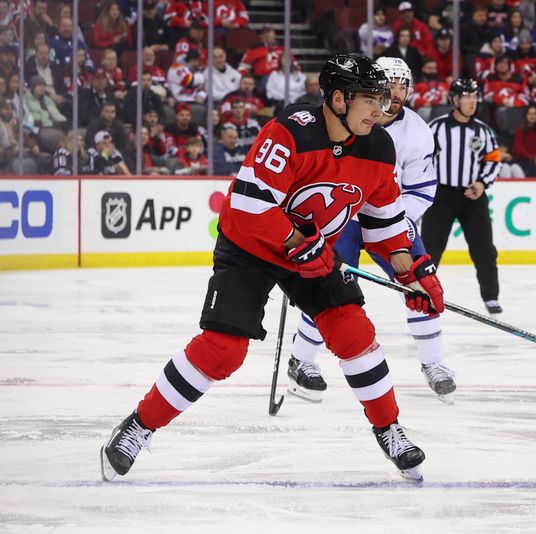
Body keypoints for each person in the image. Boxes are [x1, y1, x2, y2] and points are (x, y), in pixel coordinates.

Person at [101, 53, 443, 483]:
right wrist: (302, 242)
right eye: (370, 100)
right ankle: (139, 425)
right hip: (251, 247)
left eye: (382, 100)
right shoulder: (291, 131)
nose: (382, 110)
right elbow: (248, 206)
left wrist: (415, 274)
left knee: (353, 331)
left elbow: (387, 226)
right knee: (223, 349)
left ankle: (389, 428)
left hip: (312, 251)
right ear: (339, 98)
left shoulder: (378, 146)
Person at [287, 56, 455, 404]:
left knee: (420, 279)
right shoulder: (348, 120)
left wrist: (393, 222)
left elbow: (422, 190)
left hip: (390, 218)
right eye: (387, 84)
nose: (395, 91)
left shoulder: (418, 132)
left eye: (402, 84)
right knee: (328, 287)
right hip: (343, 219)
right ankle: (302, 360)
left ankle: (434, 363)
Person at [423, 79, 503, 314]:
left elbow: (494, 161)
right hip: (442, 196)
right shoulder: (436, 128)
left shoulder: (483, 130)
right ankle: (420, 293)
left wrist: (482, 183)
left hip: (473, 197)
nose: (472, 102)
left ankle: (491, 296)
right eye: (466, 97)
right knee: (429, 250)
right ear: (454, 100)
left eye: (474, 96)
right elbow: (421, 159)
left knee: (484, 249)